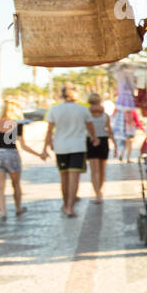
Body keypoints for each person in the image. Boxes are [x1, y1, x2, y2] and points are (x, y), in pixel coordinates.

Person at [0, 100, 46, 219]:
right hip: (11, 155)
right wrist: (39, 154)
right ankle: (18, 208)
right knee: (16, 184)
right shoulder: (16, 125)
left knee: (0, 187)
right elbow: (23, 145)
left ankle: (3, 213)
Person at [43, 85, 93, 217]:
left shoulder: (55, 110)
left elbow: (49, 131)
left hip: (60, 147)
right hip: (77, 147)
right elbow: (90, 127)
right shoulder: (83, 109)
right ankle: (70, 207)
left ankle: (65, 204)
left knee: (64, 178)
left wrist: (45, 148)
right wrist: (95, 138)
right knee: (74, 179)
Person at [85, 92, 114, 203]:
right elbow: (110, 131)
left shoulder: (87, 113)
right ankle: (99, 192)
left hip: (91, 140)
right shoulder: (105, 115)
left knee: (94, 171)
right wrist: (115, 145)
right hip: (103, 141)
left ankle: (97, 193)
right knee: (102, 170)